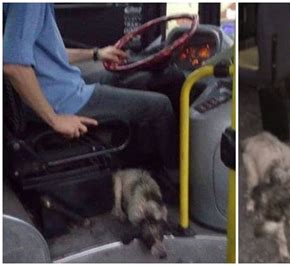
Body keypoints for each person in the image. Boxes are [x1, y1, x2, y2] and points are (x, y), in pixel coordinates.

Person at [3, 3, 178, 175]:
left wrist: (97, 54)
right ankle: (178, 179)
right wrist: (55, 119)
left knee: (126, 76)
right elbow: (13, 65)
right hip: (62, 99)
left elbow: (50, 52)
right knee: (160, 106)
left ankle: (143, 160)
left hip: (60, 83)